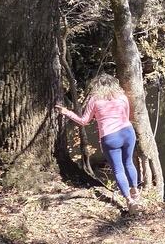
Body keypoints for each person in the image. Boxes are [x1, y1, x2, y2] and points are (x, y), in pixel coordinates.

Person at [56, 73, 140, 208]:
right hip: (128, 132)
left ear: (96, 86)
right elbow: (126, 115)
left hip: (110, 137)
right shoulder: (122, 97)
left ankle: (130, 201)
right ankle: (135, 190)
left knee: (118, 170)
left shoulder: (94, 99)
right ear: (114, 84)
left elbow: (83, 121)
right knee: (129, 163)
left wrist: (66, 112)